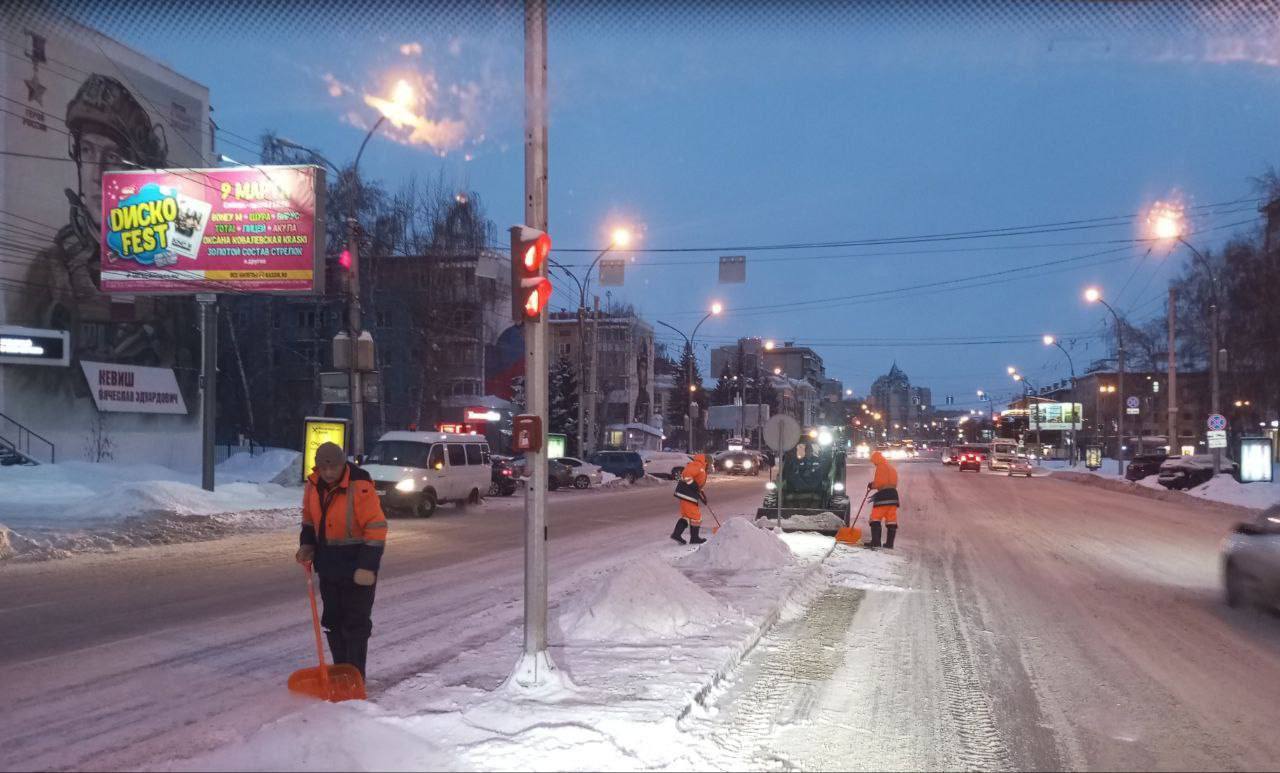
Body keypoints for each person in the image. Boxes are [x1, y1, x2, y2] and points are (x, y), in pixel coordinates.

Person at [295, 442, 387, 679]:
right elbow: (308, 519)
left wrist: (367, 566)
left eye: (333, 468)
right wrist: (307, 544)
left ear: (342, 464)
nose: (327, 473)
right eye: (323, 468)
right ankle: (340, 673)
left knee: (355, 624)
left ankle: (355, 677)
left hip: (357, 566)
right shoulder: (313, 485)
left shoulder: (360, 486)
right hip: (328, 566)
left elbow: (376, 528)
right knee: (333, 621)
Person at [671, 453, 710, 545]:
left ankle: (677, 534)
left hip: (687, 495)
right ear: (706, 461)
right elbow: (686, 475)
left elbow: (697, 484)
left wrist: (702, 495)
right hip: (687, 494)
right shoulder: (697, 465)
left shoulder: (700, 467)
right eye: (710, 463)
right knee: (696, 517)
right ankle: (694, 538)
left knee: (687, 517)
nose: (710, 466)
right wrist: (693, 485)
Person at [866, 450, 900, 549]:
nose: (873, 463)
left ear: (876, 459)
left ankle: (876, 542)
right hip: (893, 495)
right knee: (891, 520)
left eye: (873, 461)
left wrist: (872, 485)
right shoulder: (891, 467)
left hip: (883, 496)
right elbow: (891, 482)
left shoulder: (881, 467)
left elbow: (879, 482)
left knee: (875, 517)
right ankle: (889, 544)